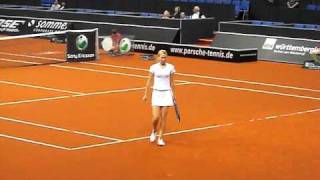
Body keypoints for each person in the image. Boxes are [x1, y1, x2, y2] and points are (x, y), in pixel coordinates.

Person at [143, 50, 176, 146]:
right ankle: (154, 130)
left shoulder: (171, 67)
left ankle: (160, 138)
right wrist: (145, 94)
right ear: (158, 58)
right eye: (161, 57)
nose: (163, 59)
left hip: (167, 93)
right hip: (156, 93)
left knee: (163, 118)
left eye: (165, 57)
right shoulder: (153, 67)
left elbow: (172, 83)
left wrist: (173, 95)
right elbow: (149, 81)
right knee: (156, 117)